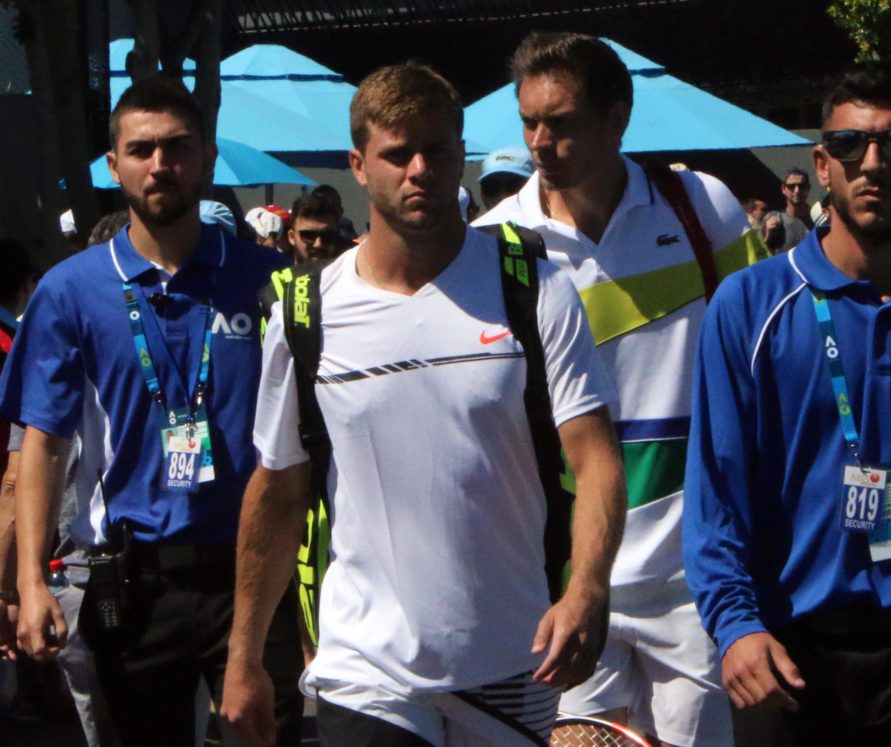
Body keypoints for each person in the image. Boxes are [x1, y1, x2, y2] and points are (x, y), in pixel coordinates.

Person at [221, 61, 626, 747]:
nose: (419, 169)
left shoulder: (533, 287)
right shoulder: (305, 312)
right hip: (365, 667)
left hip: (512, 656)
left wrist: (587, 587)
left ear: (459, 154)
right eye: (397, 153)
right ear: (358, 164)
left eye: (436, 149)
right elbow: (279, 490)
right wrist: (244, 656)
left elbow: (596, 461)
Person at [683, 59, 891, 745]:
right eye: (849, 145)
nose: (872, 163)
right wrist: (737, 627)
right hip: (793, 655)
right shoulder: (750, 308)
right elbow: (717, 491)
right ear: (821, 162)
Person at [0, 76, 304, 746]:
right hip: (134, 582)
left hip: (251, 572)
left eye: (176, 147)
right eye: (141, 149)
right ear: (114, 165)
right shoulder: (69, 291)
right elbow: (40, 447)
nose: (160, 164)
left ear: (206, 156)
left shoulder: (267, 280)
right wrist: (26, 582)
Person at [477, 31, 756, 747]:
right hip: (565, 583)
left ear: (617, 117)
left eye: (560, 122)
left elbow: (759, 371)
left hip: (697, 579)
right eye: (528, 123)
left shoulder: (704, 208)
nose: (540, 142)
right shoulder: (494, 244)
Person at [286, 192, 346, 263]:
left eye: (327, 235)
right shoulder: (275, 271)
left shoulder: (349, 271)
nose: (318, 244)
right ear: (292, 237)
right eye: (309, 236)